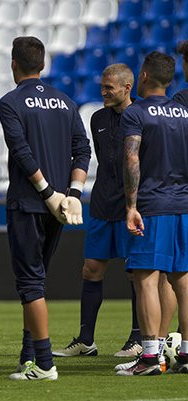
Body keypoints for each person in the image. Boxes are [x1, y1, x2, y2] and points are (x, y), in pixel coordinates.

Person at [0, 37, 91, 381]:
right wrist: (74, 193)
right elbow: (83, 150)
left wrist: (48, 192)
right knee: (36, 280)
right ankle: (28, 357)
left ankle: (44, 364)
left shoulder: (10, 102)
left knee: (30, 284)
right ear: (43, 64)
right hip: (61, 208)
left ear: (13, 63)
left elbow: (21, 152)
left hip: (28, 203)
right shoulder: (66, 102)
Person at [53, 64, 143, 358]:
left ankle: (138, 338)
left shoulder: (142, 116)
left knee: (136, 274)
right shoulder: (98, 118)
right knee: (91, 269)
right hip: (103, 204)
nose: (102, 92)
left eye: (109, 88)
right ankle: (85, 340)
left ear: (127, 88)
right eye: (102, 86)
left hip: (133, 206)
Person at [117, 51, 188, 376]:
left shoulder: (136, 113)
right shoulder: (184, 112)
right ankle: (186, 353)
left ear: (143, 76)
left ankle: (149, 358)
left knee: (146, 277)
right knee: (183, 278)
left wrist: (131, 206)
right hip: (183, 204)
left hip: (152, 203)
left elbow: (132, 159)